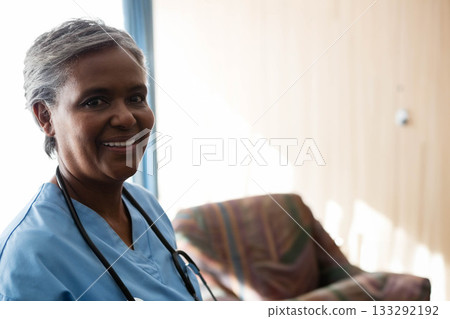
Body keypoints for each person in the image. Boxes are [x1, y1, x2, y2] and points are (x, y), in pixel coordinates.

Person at [0, 19, 202, 301]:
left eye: (136, 97)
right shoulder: (31, 253)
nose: (127, 118)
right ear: (45, 117)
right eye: (95, 101)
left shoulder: (146, 206)